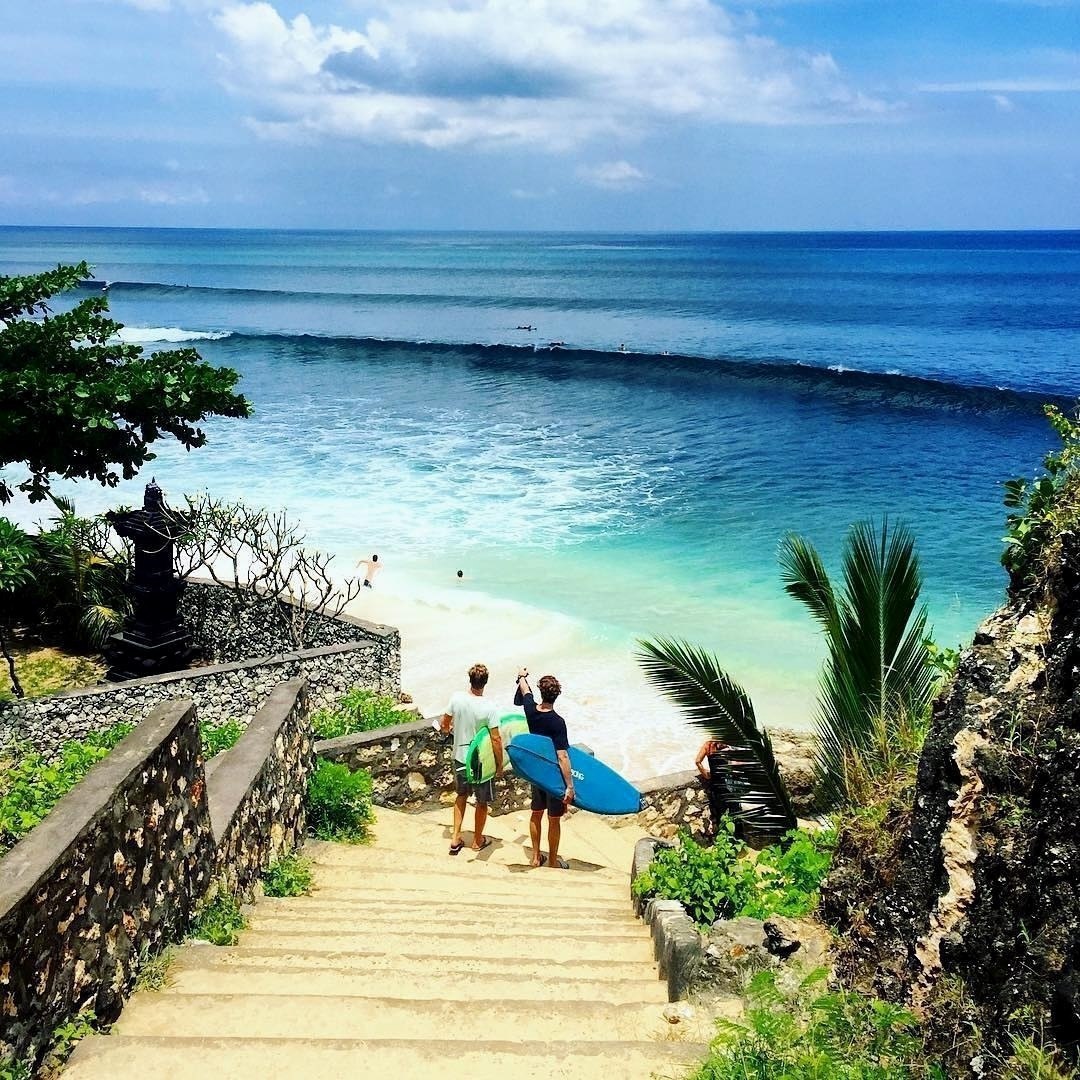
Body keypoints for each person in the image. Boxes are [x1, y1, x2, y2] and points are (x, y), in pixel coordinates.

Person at [441, 663, 504, 855]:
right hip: (481, 763)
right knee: (481, 801)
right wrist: (500, 764)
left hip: (460, 757)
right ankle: (477, 840)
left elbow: (445, 724)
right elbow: (495, 739)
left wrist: (453, 730)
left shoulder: (456, 699)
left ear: (470, 680)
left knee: (461, 796)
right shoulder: (490, 707)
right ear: (485, 682)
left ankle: (455, 838)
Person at [514, 668, 574, 869]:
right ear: (557, 695)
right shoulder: (557, 722)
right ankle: (553, 862)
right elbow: (562, 756)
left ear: (541, 692)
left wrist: (522, 675)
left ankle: (536, 856)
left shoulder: (531, 710)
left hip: (535, 773)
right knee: (553, 819)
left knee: (536, 813)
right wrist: (570, 786)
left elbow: (525, 691)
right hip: (552, 776)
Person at [695, 736, 739, 836]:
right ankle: (735, 835)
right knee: (734, 810)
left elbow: (698, 761)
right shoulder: (726, 745)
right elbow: (734, 765)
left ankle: (720, 836)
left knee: (718, 812)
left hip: (715, 783)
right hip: (727, 784)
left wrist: (705, 773)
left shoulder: (708, 745)